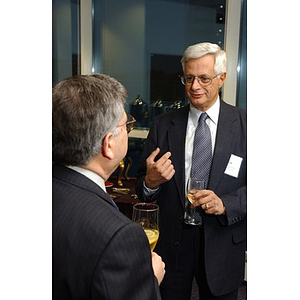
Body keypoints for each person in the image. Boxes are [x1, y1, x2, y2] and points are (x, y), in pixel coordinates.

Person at [135, 42, 246, 300]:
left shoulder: (246, 125)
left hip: (222, 240)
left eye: (204, 78)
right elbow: (142, 190)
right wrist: (151, 182)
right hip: (173, 245)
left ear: (222, 79)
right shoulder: (163, 125)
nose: (195, 86)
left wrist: (226, 204)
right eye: (189, 78)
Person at [53, 74, 165, 300]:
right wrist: (148, 280)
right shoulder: (120, 236)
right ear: (108, 144)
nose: (129, 130)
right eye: (126, 126)